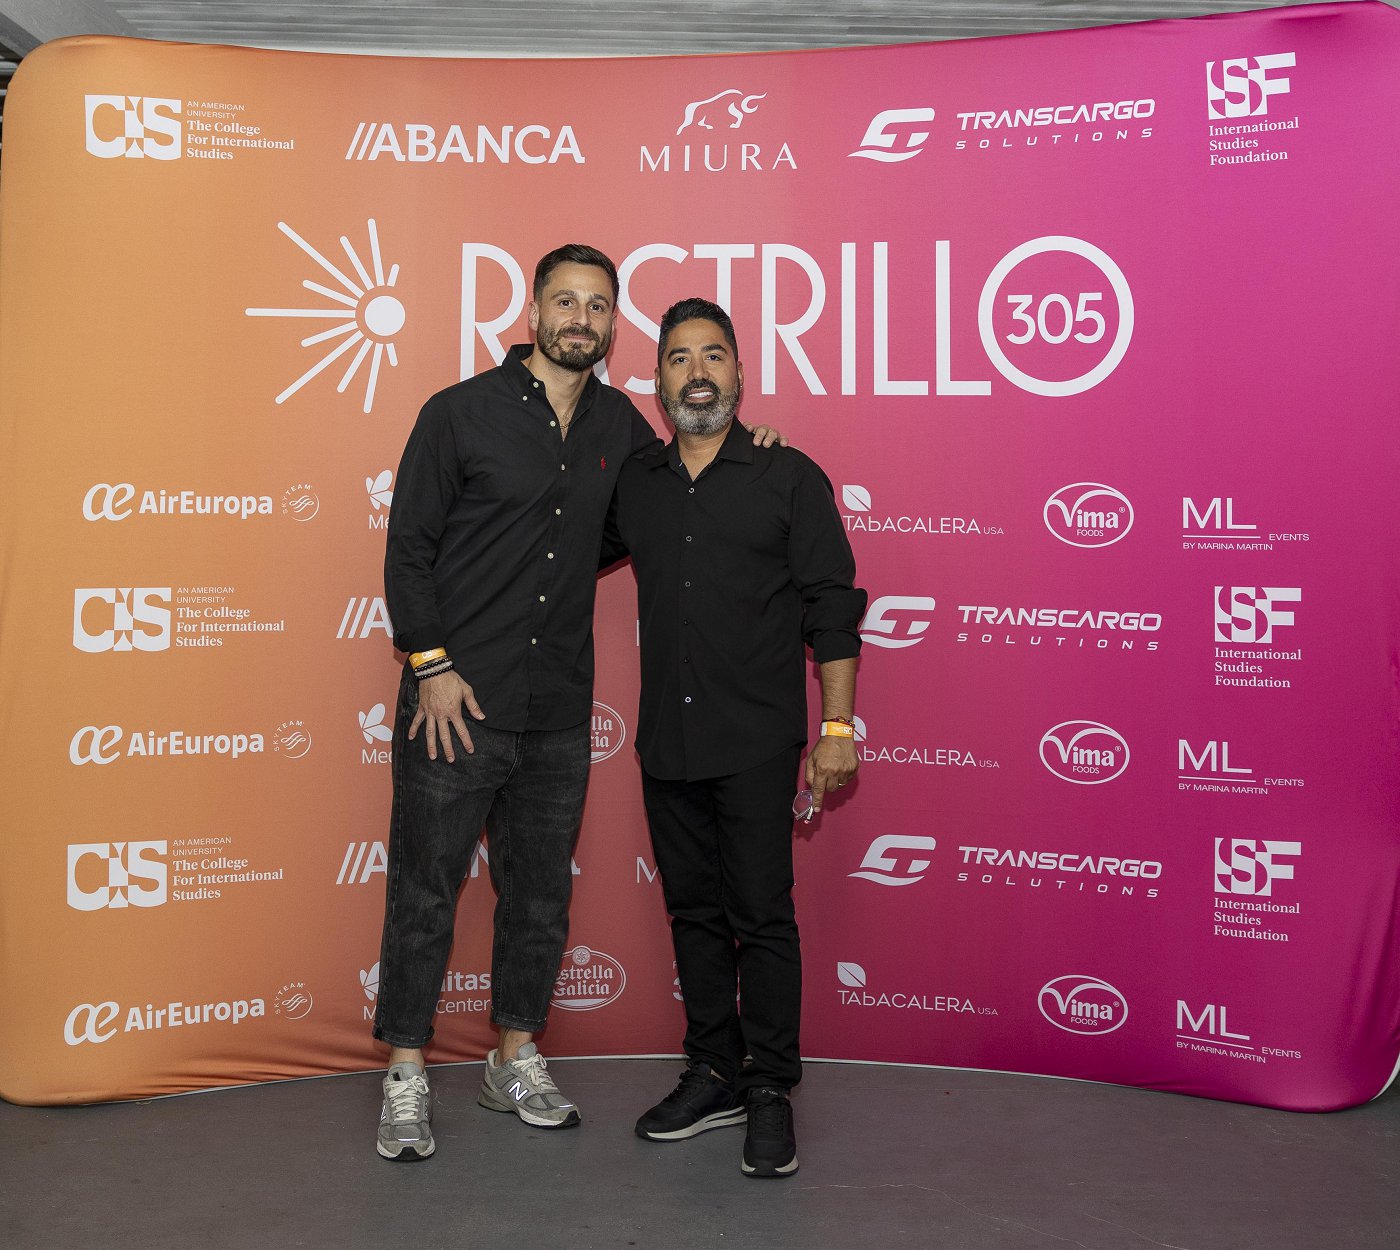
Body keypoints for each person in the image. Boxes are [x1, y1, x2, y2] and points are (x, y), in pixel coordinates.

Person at [373, 247, 782, 1163]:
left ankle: (513, 1058)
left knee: (539, 897)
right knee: (425, 890)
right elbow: (409, 547)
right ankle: (404, 1072)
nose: (580, 319)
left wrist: (752, 447)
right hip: (455, 697)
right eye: (566, 301)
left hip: (558, 703)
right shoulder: (458, 412)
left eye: (598, 307)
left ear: (611, 325)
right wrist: (432, 663)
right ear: (533, 311)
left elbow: (677, 490)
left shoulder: (621, 427)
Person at [605, 298, 866, 1178]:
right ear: (657, 380)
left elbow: (832, 608)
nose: (697, 373)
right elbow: (562, 545)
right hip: (666, 742)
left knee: (761, 917)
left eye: (713, 356)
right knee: (693, 914)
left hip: (755, 740)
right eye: (679, 358)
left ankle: (769, 1086)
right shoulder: (636, 483)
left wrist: (837, 727)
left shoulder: (787, 476)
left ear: (740, 374)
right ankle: (714, 1071)